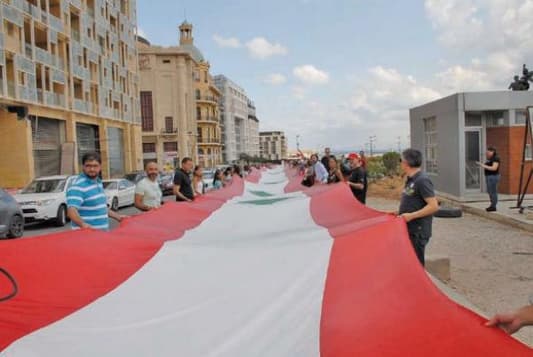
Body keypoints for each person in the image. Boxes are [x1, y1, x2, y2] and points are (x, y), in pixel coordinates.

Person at [396, 149, 439, 266]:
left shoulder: (422, 180)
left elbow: (434, 206)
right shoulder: (411, 180)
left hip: (418, 231)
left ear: (406, 162)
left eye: (401, 160)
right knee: (409, 263)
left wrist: (411, 216)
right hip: (410, 229)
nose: (400, 164)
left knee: (416, 266)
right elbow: (413, 203)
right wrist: (397, 212)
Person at [66, 152, 125, 230]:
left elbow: (101, 207)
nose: (92, 169)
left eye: (95, 166)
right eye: (88, 166)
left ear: (100, 167)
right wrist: (83, 224)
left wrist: (118, 217)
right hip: (86, 237)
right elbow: (71, 211)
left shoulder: (98, 182)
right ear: (83, 167)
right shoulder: (78, 186)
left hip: (101, 236)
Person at [478, 147, 500, 212]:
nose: (486, 153)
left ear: (492, 151)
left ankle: (493, 206)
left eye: (488, 152)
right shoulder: (490, 158)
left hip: (493, 177)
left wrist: (483, 166)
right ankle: (492, 205)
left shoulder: (496, 158)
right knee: (490, 191)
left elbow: (494, 168)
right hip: (489, 176)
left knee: (493, 192)